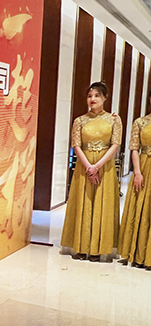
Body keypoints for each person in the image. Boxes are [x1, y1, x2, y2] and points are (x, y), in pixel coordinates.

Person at [61, 81, 122, 262]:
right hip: (84, 166)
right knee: (83, 203)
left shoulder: (114, 119)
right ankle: (80, 246)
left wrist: (97, 166)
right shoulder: (79, 120)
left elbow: (115, 144)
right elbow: (76, 145)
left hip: (105, 166)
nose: (92, 99)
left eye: (97, 95)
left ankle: (97, 249)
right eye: (89, 96)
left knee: (102, 205)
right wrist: (89, 166)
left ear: (105, 98)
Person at [118, 90, 151, 268]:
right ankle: (137, 255)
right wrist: (137, 172)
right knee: (140, 209)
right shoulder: (140, 122)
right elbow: (134, 149)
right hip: (144, 167)